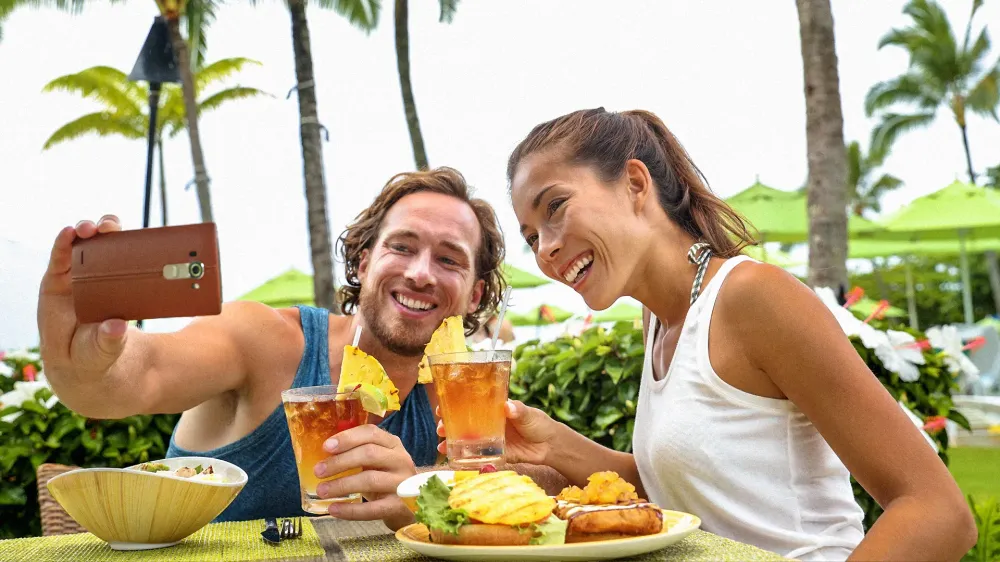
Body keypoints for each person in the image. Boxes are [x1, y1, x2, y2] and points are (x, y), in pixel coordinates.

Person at [444, 108, 976, 561]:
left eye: (555, 207)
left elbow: (938, 512)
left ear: (634, 183)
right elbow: (687, 492)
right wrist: (554, 444)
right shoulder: (660, 320)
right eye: (531, 236)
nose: (545, 250)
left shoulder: (753, 297)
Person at [37, 167, 565, 530]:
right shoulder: (267, 340)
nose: (420, 273)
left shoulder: (459, 390)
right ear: (363, 263)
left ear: (474, 294)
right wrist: (85, 361)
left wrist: (420, 485)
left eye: (449, 260)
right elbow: (137, 373)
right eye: (401, 247)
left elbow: (534, 482)